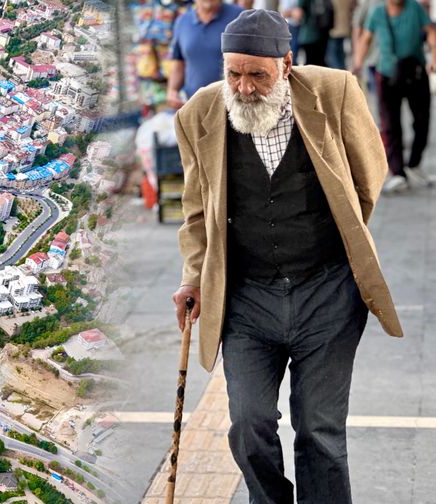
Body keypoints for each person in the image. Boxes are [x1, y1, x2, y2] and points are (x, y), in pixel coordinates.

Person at [171, 9, 403, 503]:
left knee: (318, 428)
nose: (245, 87)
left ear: (287, 64)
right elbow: (196, 212)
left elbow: (369, 170)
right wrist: (193, 277)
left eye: (258, 73)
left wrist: (343, 224)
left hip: (327, 290)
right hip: (246, 298)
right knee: (248, 423)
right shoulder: (200, 114)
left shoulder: (334, 92)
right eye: (234, 72)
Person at [353, 0, 436, 192]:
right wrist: (357, 64)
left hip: (414, 73)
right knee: (390, 125)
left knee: (422, 121)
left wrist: (433, 57)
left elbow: (431, 31)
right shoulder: (378, 13)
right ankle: (398, 173)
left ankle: (414, 164)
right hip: (387, 75)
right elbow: (366, 38)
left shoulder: (415, 9)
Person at [167, 0, 243, 108]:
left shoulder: (239, 16)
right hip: (194, 104)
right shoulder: (182, 22)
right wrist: (172, 90)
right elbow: (179, 62)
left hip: (231, 105)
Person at [295, 0, 334, 65]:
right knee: (320, 62)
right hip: (323, 32)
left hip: (309, 34)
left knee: (310, 65)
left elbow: (298, 14)